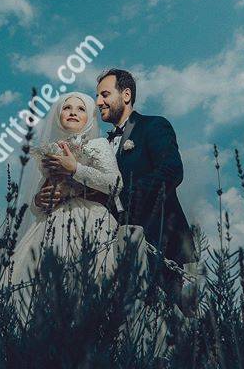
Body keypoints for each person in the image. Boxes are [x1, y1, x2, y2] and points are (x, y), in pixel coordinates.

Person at [35, 68, 198, 310]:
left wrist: (123, 195)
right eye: (97, 96)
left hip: (159, 240)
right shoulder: (96, 145)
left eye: (105, 94)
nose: (98, 102)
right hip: (111, 246)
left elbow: (171, 171)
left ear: (126, 95)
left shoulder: (153, 126)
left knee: (176, 320)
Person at [3, 91, 125, 319]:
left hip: (90, 221)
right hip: (50, 225)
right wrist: (39, 201)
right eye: (66, 108)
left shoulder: (98, 145)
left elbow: (114, 183)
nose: (72, 112)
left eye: (81, 109)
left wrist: (75, 169)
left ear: (90, 117)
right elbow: (41, 195)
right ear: (58, 115)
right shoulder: (50, 150)